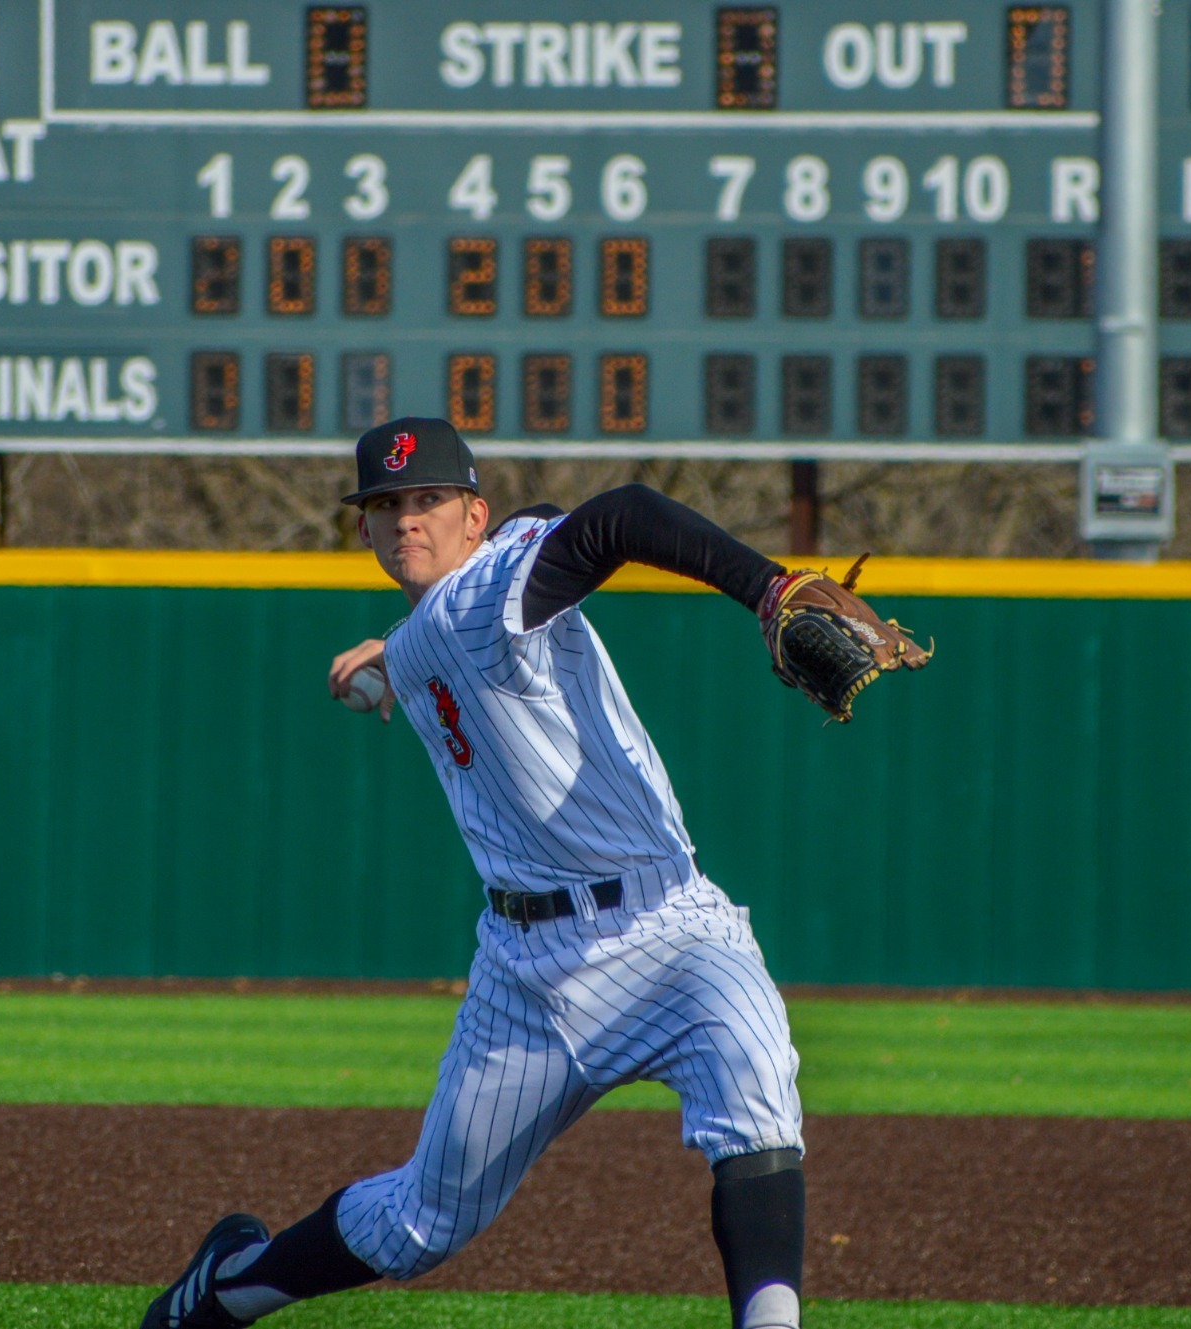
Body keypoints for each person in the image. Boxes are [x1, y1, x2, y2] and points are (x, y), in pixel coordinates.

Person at [143, 417, 808, 1329]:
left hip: (668, 929)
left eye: (430, 499)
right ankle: (225, 1288)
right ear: (366, 529)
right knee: (419, 1224)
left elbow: (622, 515)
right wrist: (394, 652)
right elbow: (524, 536)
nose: (408, 519)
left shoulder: (486, 593)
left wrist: (768, 586)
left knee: (755, 1087)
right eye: (388, 505)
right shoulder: (441, 615)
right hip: (525, 973)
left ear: (475, 516)